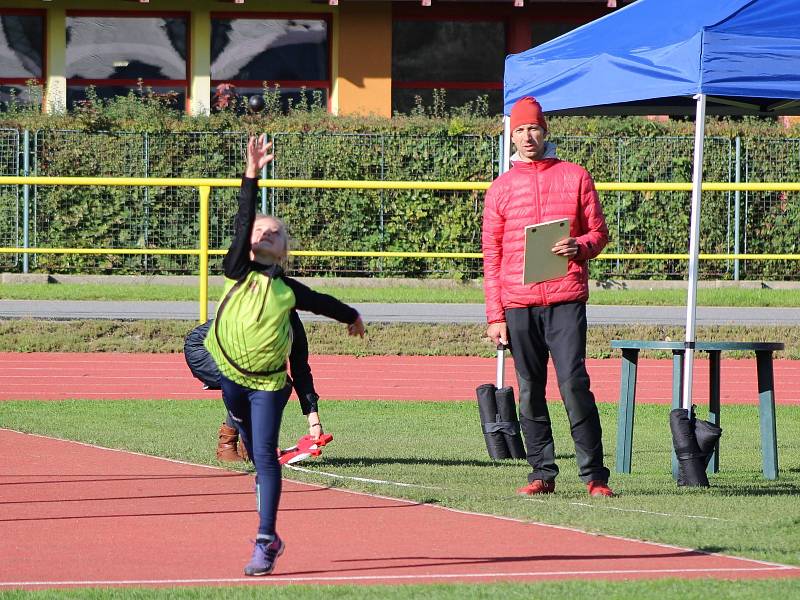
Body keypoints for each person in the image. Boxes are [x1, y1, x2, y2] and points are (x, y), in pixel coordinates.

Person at [205, 134, 365, 576]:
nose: (264, 232)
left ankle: (265, 539)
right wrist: (251, 174)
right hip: (231, 375)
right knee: (239, 421)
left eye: (274, 232)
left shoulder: (287, 290)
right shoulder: (235, 269)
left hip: (270, 384)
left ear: (283, 251)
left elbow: (322, 301)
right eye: (260, 229)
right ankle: (235, 425)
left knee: (265, 458)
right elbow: (242, 222)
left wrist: (351, 315)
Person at [481, 96, 613, 498]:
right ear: (511, 136)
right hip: (518, 305)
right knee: (529, 389)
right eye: (519, 130)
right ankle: (542, 473)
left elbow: (599, 234)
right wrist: (495, 315)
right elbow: (492, 255)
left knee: (574, 383)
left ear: (546, 131)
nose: (527, 136)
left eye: (533, 128)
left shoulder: (575, 176)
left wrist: (581, 246)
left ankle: (594, 477)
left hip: (566, 298)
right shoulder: (500, 188)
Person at [184, 312, 325, 463]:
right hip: (202, 348)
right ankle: (227, 446)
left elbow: (301, 372)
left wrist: (314, 423)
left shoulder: (293, 325)